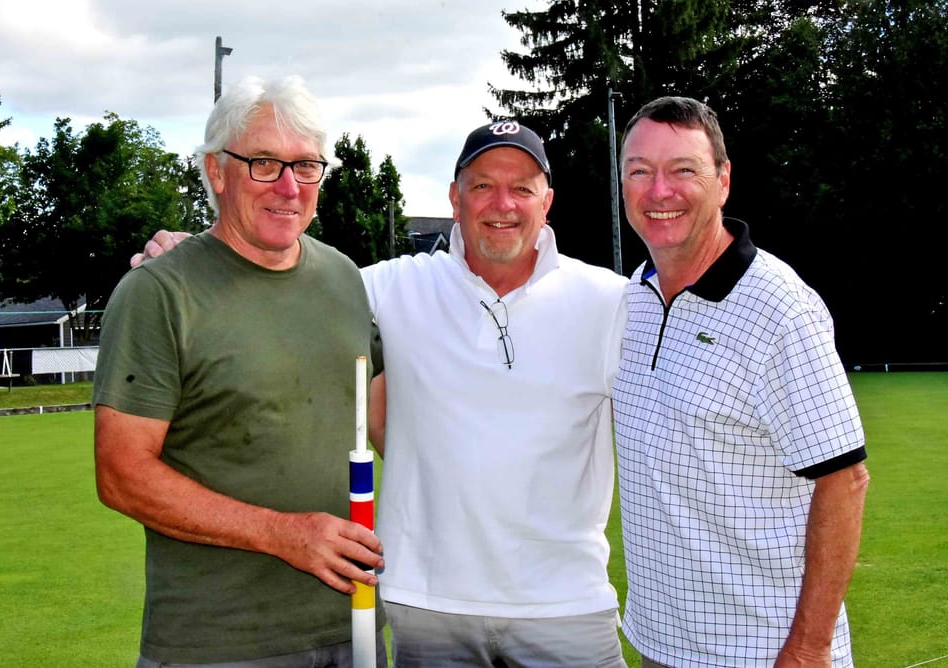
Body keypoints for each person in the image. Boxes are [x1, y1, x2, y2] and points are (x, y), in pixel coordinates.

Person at [137, 119, 632, 668]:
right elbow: (278, 277)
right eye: (483, 185)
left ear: (547, 202)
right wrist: (197, 256)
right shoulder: (388, 286)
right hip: (428, 606)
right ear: (455, 198)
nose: (503, 204)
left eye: (522, 188)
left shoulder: (610, 301)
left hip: (566, 607)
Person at [93, 75, 387, 667]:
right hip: (219, 642)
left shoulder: (344, 278)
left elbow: (388, 425)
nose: (288, 186)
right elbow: (121, 475)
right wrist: (284, 534)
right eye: (264, 163)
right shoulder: (158, 292)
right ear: (217, 171)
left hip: (351, 627)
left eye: (306, 166)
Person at [612, 95, 870, 667]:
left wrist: (809, 648)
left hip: (763, 651)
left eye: (684, 169)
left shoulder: (779, 308)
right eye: (640, 171)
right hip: (660, 646)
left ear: (723, 181)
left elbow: (845, 480)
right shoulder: (634, 298)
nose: (660, 191)